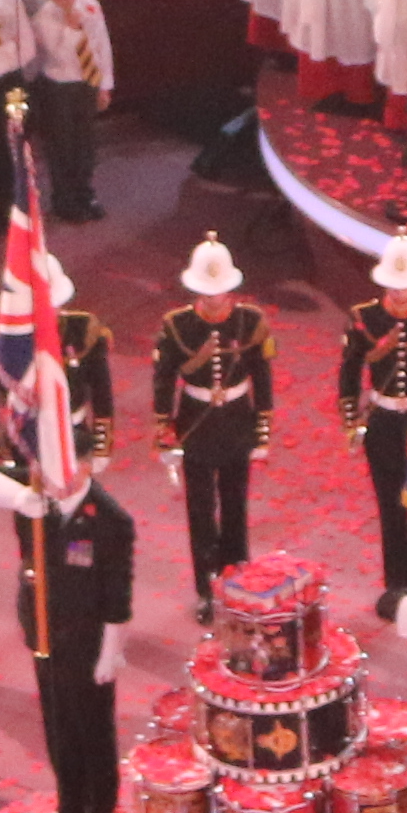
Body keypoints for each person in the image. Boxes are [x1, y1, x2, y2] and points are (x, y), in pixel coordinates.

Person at [0, 452, 136, 813]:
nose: (55, 478)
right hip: (43, 632)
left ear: (86, 467)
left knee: (92, 727)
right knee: (57, 723)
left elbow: (117, 598)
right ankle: (70, 803)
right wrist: (17, 495)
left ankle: (101, 810)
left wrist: (110, 654)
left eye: (65, 469)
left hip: (86, 641)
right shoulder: (35, 495)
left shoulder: (109, 520)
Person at [150, 238, 275, 610]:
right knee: (200, 512)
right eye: (207, 292)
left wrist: (262, 429)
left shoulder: (249, 321)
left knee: (235, 507)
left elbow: (261, 376)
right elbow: (163, 380)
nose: (215, 299)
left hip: (237, 421)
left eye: (220, 291)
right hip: (196, 424)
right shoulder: (177, 326)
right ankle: (207, 589)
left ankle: (237, 578)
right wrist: (165, 432)